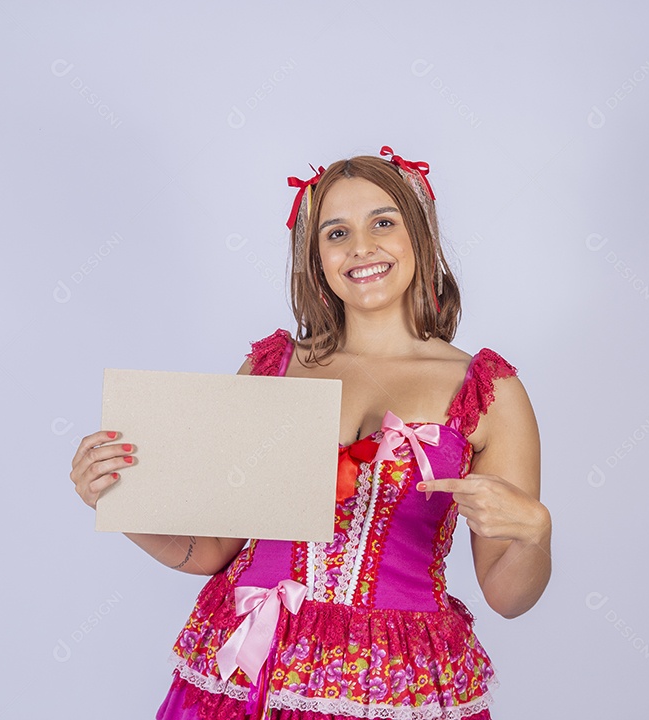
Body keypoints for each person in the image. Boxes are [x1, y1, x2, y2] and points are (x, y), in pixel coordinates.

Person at [70, 145, 552, 719]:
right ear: (315, 255)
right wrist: (119, 500)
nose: (362, 248)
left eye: (383, 222)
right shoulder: (270, 368)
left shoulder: (487, 391)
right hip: (250, 668)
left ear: (419, 236)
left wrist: (534, 533)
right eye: (336, 233)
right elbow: (212, 550)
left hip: (392, 679)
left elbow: (506, 595)